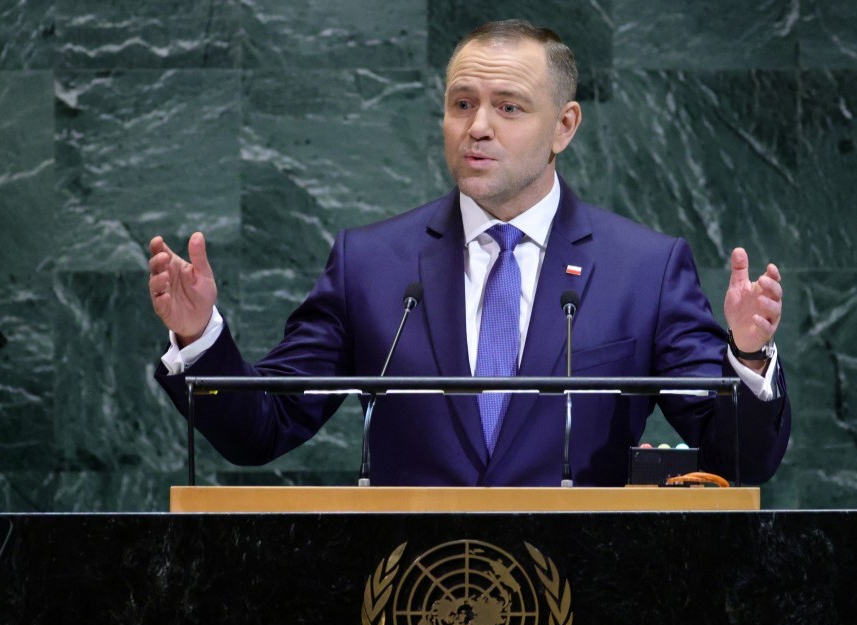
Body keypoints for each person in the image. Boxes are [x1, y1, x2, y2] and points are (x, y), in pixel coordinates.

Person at [148, 20, 790, 487]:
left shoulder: (642, 271)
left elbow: (733, 460)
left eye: (508, 107)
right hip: (407, 606)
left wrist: (748, 357)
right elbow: (265, 427)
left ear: (564, 126)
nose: (477, 126)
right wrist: (200, 335)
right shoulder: (371, 265)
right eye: (462, 104)